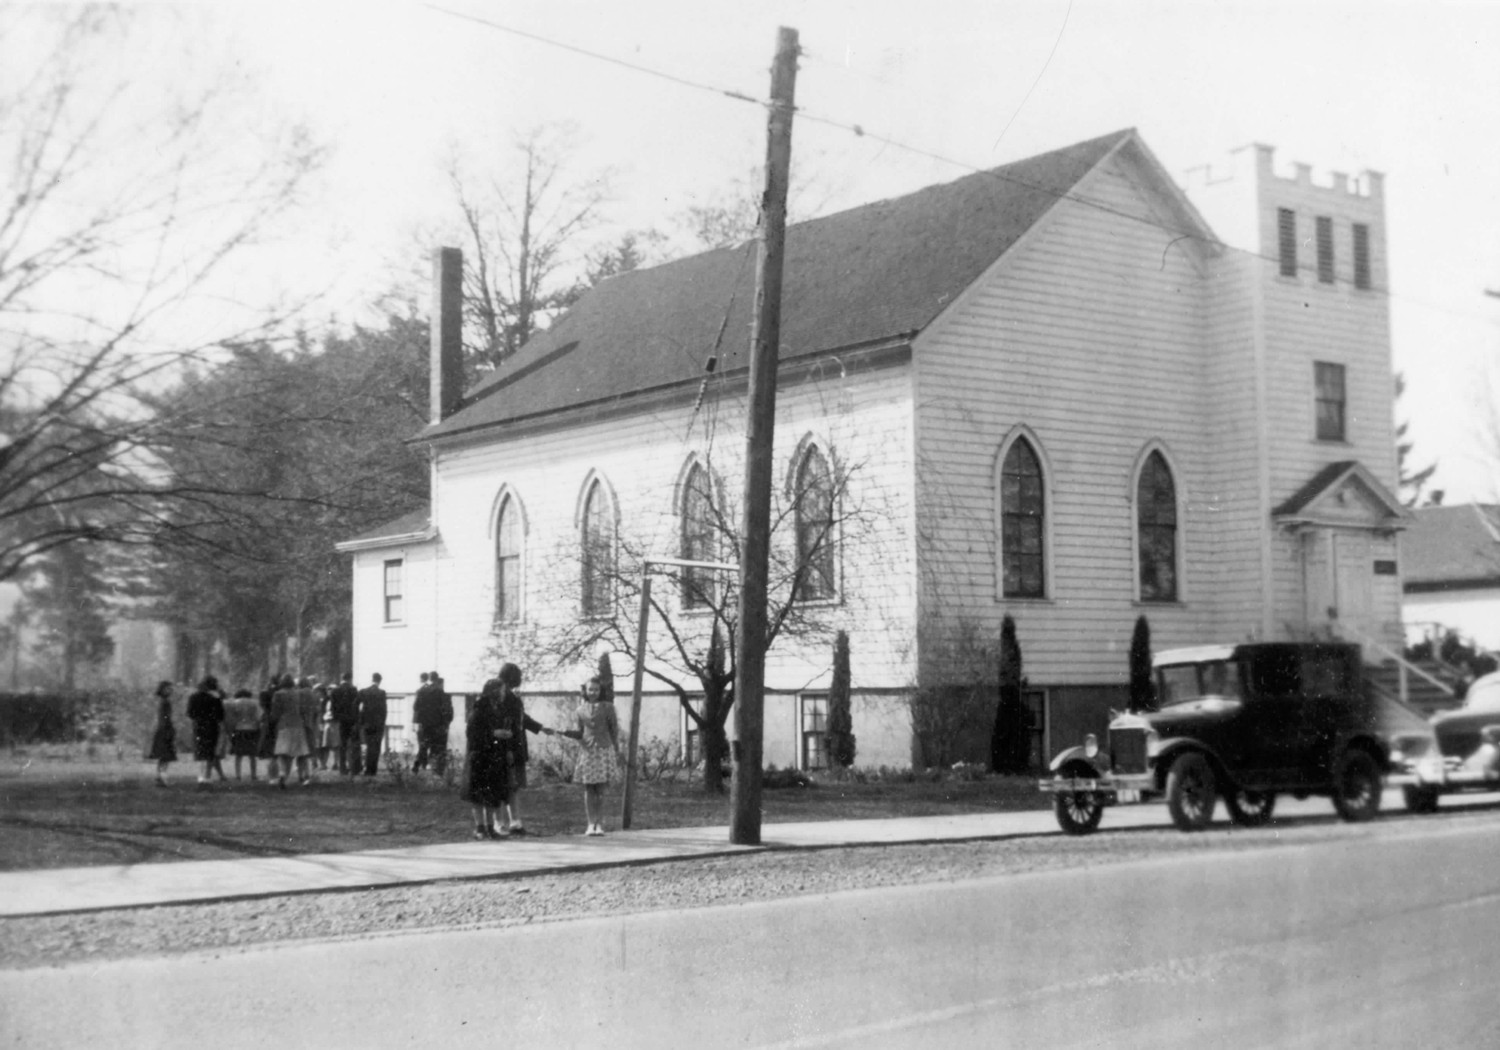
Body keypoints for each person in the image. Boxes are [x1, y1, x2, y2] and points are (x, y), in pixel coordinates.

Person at [558, 675, 621, 836]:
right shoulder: (580, 710)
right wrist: (565, 732)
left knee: (600, 789)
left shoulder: (608, 707)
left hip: (603, 750)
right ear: (585, 691)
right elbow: (579, 732)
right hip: (587, 751)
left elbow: (614, 730)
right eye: (590, 689)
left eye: (596, 689)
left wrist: (616, 749)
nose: (593, 692)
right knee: (588, 789)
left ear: (601, 691)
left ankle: (599, 824)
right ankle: (590, 823)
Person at [495, 663, 547, 834]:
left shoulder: (512, 697)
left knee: (513, 786)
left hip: (515, 746)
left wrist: (540, 727)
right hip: (505, 747)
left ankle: (515, 822)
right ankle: (501, 823)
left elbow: (521, 718)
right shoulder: (501, 697)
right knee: (504, 786)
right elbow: (505, 723)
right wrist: (508, 749)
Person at [462, 677, 512, 839]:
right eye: (502, 690)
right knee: (478, 795)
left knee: (492, 794)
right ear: (495, 692)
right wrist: (493, 734)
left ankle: (490, 827)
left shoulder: (498, 709)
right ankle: (480, 828)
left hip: (494, 756)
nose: (504, 693)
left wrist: (504, 736)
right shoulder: (479, 709)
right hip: (479, 757)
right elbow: (472, 734)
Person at [186, 675, 228, 787]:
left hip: (198, 726)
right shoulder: (215, 699)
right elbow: (221, 715)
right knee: (210, 752)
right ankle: (207, 777)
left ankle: (201, 777)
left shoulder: (193, 697)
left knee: (201, 751)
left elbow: (190, 713)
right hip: (212, 727)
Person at [270, 674, 310, 788]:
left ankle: (282, 774)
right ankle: (302, 776)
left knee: (282, 753)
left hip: (284, 725)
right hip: (298, 725)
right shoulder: (298, 694)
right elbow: (303, 710)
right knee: (301, 752)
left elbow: (275, 712)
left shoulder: (278, 694)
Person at [146, 680, 178, 787]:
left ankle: (160, 778)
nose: (170, 690)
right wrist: (169, 729)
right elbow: (165, 718)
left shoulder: (162, 701)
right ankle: (163, 779)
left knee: (163, 757)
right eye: (168, 688)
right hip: (164, 730)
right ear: (163, 689)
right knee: (165, 757)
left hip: (162, 730)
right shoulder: (165, 702)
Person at [226, 688, 262, 781]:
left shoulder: (235, 703)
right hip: (252, 729)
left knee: (238, 755)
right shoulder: (254, 703)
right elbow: (257, 717)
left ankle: (238, 775)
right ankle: (253, 775)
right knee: (252, 754)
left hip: (239, 728)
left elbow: (232, 718)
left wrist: (231, 730)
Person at [328, 671, 360, 775]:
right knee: (353, 743)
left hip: (340, 721)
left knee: (342, 744)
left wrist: (336, 718)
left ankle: (342, 767)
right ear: (350, 679)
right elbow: (356, 706)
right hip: (351, 720)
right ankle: (353, 766)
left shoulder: (335, 691)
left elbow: (333, 707)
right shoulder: (353, 690)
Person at [357, 672, 388, 776]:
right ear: (380, 681)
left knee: (367, 745)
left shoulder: (364, 691)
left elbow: (355, 704)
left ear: (372, 679)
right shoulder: (382, 693)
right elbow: (384, 710)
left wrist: (360, 718)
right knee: (376, 746)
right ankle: (372, 769)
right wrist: (382, 722)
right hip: (378, 724)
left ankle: (366, 768)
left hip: (366, 723)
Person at [410, 672, 436, 773]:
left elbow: (415, 707)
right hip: (430, 721)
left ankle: (417, 764)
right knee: (425, 743)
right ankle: (423, 764)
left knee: (422, 743)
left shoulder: (420, 691)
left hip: (420, 721)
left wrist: (414, 722)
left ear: (421, 679)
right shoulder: (432, 690)